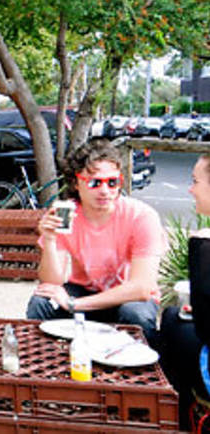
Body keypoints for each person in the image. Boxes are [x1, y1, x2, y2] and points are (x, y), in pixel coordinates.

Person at [25, 138, 165, 346]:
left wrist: (74, 304)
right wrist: (50, 239)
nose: (105, 191)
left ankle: (141, 373)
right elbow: (51, 282)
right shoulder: (67, 214)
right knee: (42, 302)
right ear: (76, 182)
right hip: (84, 289)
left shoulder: (141, 216)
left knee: (135, 312)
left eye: (112, 182)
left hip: (126, 294)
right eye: (94, 182)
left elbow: (142, 287)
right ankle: (45, 368)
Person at [160, 154, 210, 429]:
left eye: (195, 181)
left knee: (173, 323)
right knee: (172, 316)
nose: (190, 189)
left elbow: (205, 329)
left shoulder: (205, 244)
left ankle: (179, 418)